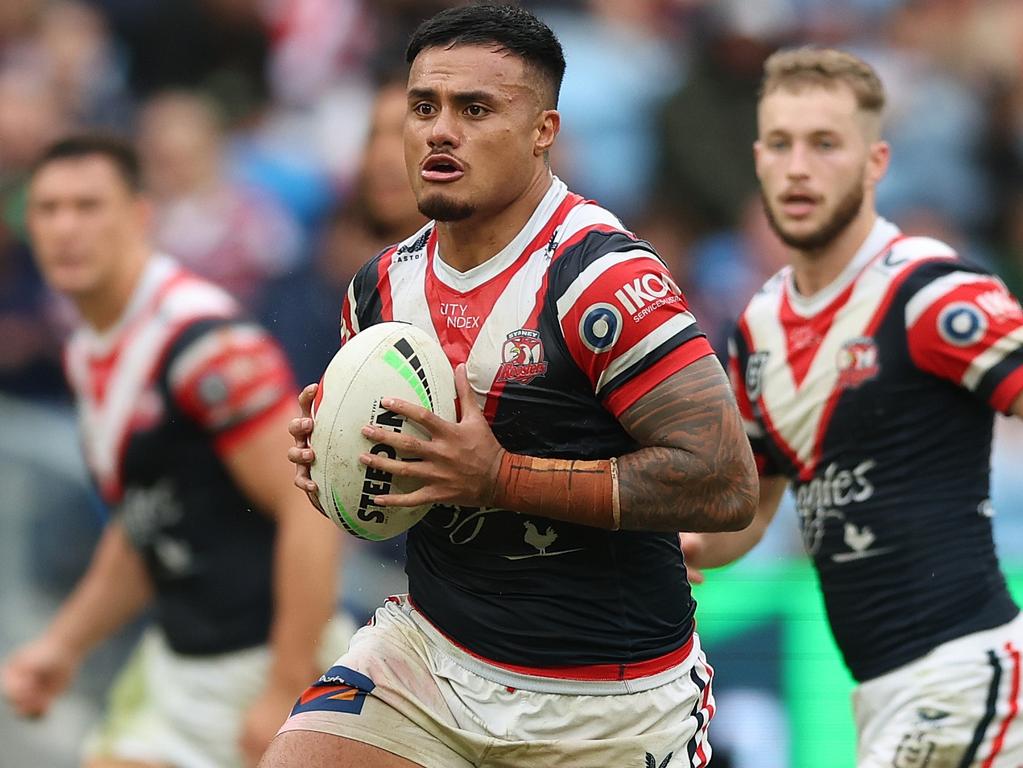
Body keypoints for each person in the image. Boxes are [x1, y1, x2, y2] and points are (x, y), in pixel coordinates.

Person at [265, 5, 758, 768]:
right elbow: (402, 493)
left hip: (606, 702)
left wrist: (500, 477)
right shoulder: (378, 289)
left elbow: (723, 483)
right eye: (423, 106)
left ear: (543, 131)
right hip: (431, 656)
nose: (438, 130)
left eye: (475, 109)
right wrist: (339, 463)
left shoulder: (601, 279)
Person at [683, 48, 1023, 766]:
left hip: (966, 673)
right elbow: (751, 512)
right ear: (756, 157)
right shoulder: (757, 327)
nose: (797, 166)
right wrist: (666, 548)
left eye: (824, 143)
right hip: (876, 692)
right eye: (780, 143)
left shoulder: (930, 291)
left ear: (875, 163)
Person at [0, 134, 348, 768]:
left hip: (261, 659)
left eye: (88, 206)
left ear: (139, 216)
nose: (65, 228)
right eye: (48, 209)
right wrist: (63, 645)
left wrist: (284, 686)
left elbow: (312, 508)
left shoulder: (204, 349)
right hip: (181, 658)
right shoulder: (88, 351)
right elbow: (147, 524)